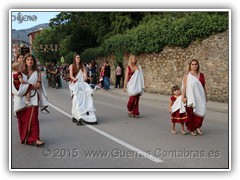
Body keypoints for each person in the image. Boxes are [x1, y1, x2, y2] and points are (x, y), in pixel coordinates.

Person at [12, 53, 48, 146]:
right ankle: (26, 138)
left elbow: (38, 86)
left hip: (34, 97)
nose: (30, 61)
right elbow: (15, 84)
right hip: (21, 98)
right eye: (28, 60)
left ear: (34, 61)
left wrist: (28, 87)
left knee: (34, 119)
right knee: (23, 119)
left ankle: (36, 138)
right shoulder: (20, 71)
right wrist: (30, 86)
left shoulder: (38, 72)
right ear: (25, 61)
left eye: (31, 59)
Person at [69, 53, 97, 126]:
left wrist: (85, 77)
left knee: (87, 96)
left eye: (79, 57)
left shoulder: (82, 66)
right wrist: (74, 79)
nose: (78, 58)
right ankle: (76, 115)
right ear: (74, 59)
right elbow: (71, 76)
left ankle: (91, 117)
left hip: (81, 83)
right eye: (77, 57)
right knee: (76, 100)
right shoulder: (72, 66)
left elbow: (85, 75)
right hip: (74, 84)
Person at [181, 59, 207, 136]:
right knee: (191, 114)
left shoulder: (201, 75)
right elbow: (184, 87)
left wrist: (206, 96)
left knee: (202, 111)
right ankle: (192, 129)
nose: (194, 65)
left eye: (196, 64)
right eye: (192, 64)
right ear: (190, 66)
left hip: (201, 97)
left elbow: (203, 86)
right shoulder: (187, 75)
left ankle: (198, 126)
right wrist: (183, 97)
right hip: (191, 97)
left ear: (198, 65)